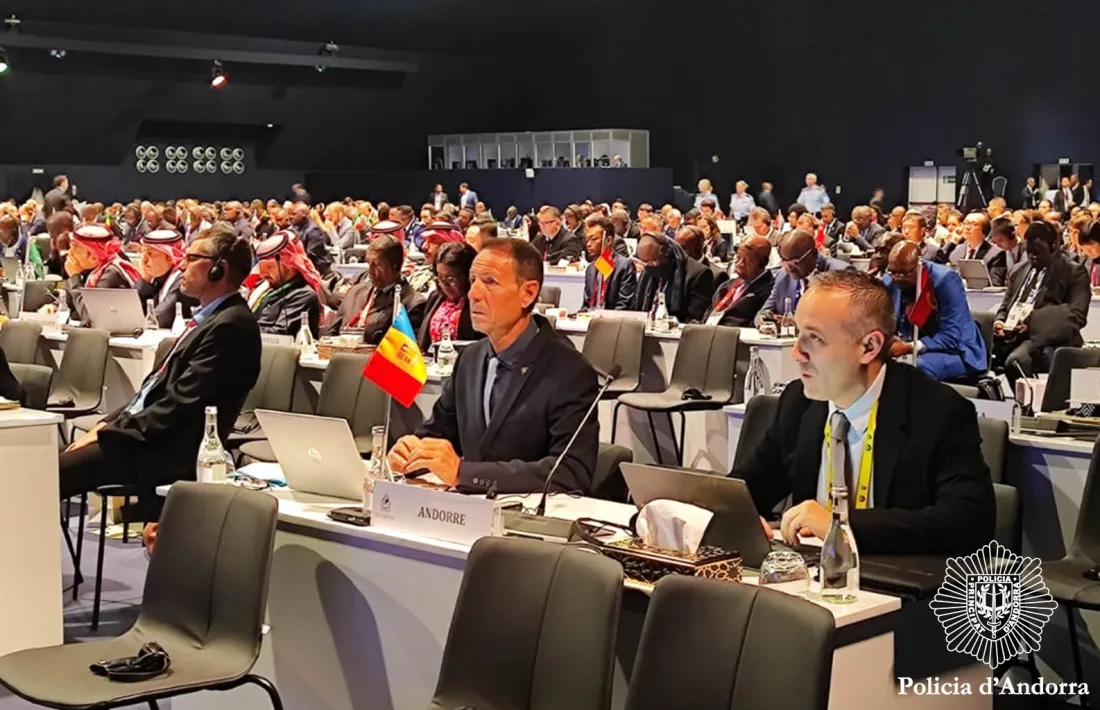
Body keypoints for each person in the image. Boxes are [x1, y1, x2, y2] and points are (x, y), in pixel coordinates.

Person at [731, 270, 994, 554]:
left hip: (896, 585)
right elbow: (744, 491)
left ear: (869, 347)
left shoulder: (938, 411)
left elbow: (969, 523)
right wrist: (738, 518)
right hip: (811, 581)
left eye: (815, 338)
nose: (797, 353)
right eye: (797, 334)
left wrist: (843, 525)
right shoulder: (798, 402)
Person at [59, 224, 261, 498]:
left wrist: (110, 433)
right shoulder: (211, 319)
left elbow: (179, 405)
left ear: (218, 269)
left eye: (191, 259)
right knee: (39, 468)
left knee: (46, 474)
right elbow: (150, 392)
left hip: (164, 451)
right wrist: (105, 425)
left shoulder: (232, 326)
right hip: (145, 438)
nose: (181, 266)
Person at [389, 238, 599, 494]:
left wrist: (464, 473)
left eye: (490, 282)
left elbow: (570, 472)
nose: (473, 293)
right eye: (473, 280)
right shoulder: (469, 359)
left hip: (524, 525)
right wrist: (412, 453)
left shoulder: (569, 371)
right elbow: (439, 431)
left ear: (528, 293)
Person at [994, 221, 1091, 386]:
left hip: (1045, 337)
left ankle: (1028, 408)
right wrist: (1000, 320)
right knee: (974, 350)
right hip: (1011, 334)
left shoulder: (1073, 272)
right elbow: (1006, 304)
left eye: (1039, 252)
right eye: (1029, 252)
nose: (1033, 257)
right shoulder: (1020, 269)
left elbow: (1077, 316)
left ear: (1054, 246)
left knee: (1016, 361)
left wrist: (1032, 323)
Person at [883, 242, 987, 381]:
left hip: (957, 351)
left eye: (904, 274)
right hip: (909, 345)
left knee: (916, 367)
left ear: (919, 265)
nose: (897, 278)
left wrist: (910, 347)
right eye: (893, 272)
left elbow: (952, 335)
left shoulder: (945, 280)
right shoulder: (890, 279)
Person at [324, 235, 426, 343]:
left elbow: (407, 349)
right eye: (369, 263)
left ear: (395, 266)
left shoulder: (412, 303)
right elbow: (331, 335)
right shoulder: (354, 292)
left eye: (376, 265)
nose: (371, 271)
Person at [757, 229, 850, 328]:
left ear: (814, 254)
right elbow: (763, 312)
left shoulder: (841, 274)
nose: (789, 267)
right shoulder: (783, 276)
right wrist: (765, 321)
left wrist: (799, 325)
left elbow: (845, 321)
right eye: (784, 260)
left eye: (795, 261)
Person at [244, 232, 325, 338]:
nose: (263, 274)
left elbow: (279, 333)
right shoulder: (266, 288)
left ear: (290, 265)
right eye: (261, 268)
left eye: (269, 267)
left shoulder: (303, 295)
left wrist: (241, 331)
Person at [59, 224, 142, 323]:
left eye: (76, 248)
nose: (70, 253)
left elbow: (90, 317)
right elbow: (73, 309)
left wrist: (74, 277)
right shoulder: (87, 270)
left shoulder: (111, 273)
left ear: (93, 254)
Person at [634, 232, 715, 323]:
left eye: (653, 261)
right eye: (645, 261)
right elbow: (637, 307)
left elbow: (694, 319)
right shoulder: (648, 271)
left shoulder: (699, 274)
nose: (649, 265)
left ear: (666, 253)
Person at [417, 242, 481, 352]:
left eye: (451, 279)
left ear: (468, 276)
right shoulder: (435, 298)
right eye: (440, 278)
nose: (445, 285)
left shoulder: (478, 303)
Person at [702, 236, 774, 327]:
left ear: (763, 263)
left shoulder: (769, 289)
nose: (739, 264)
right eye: (738, 257)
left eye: (747, 260)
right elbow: (708, 314)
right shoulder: (726, 285)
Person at [136, 230, 199, 329]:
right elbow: (130, 312)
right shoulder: (160, 277)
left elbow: (156, 320)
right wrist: (145, 280)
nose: (144, 260)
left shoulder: (182, 281)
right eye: (143, 253)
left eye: (151, 254)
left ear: (170, 257)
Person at [582, 215, 637, 311]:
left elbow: (624, 304)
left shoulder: (625, 266)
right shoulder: (590, 269)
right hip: (591, 321)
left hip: (614, 322)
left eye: (594, 239)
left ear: (608, 240)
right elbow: (586, 305)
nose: (588, 244)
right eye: (587, 239)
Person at [946, 212, 1006, 285]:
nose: (967, 227)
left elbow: (996, 284)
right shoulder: (958, 250)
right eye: (965, 223)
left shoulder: (996, 253)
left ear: (984, 231)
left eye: (973, 224)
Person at [288, 201, 332, 276]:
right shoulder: (294, 228)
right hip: (301, 267)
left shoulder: (314, 230)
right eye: (289, 214)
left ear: (304, 214)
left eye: (294, 214)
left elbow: (310, 255)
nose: (290, 217)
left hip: (317, 270)